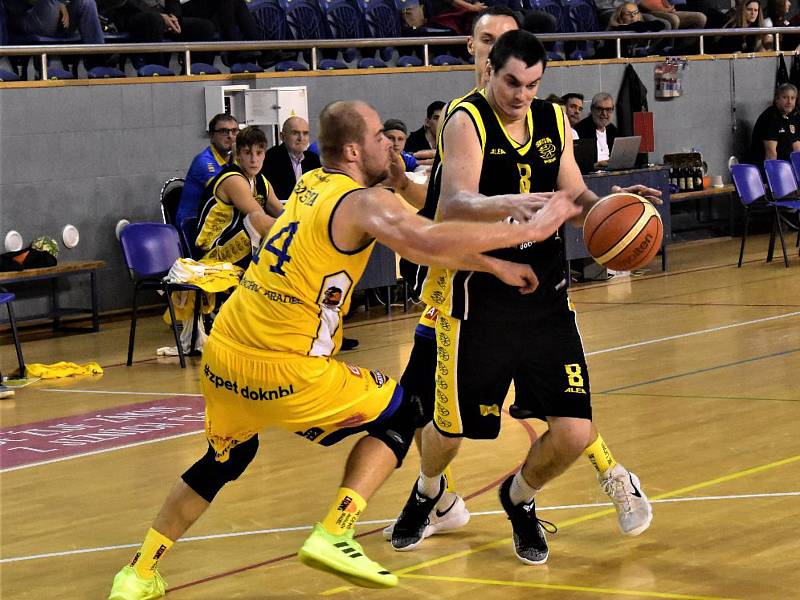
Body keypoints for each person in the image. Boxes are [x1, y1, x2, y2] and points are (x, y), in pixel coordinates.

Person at [106, 99, 580, 600]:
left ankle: (138, 572)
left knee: (224, 460)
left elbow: (419, 224)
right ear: (355, 148)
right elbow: (429, 238)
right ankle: (336, 529)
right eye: (380, 136)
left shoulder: (310, 183)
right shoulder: (363, 203)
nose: (389, 143)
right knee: (405, 413)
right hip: (285, 363)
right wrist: (524, 231)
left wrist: (494, 266)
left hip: (225, 348)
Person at [389, 29, 659, 565]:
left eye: (533, 85)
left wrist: (612, 207)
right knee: (448, 430)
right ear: (490, 71)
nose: (521, 94)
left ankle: (519, 498)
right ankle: (427, 493)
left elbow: (574, 193)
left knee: (575, 430)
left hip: (546, 298)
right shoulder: (465, 119)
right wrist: (513, 204)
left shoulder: (553, 120)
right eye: (512, 81)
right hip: (479, 296)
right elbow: (454, 206)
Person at [194, 126, 283, 271]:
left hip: (236, 244)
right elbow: (261, 220)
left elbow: (283, 215)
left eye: (259, 153)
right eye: (248, 153)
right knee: (258, 220)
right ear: (238, 155)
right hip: (212, 253)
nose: (254, 159)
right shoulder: (233, 179)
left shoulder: (261, 181)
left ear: (264, 155)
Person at [98, 0, 216, 68]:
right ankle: (158, 71)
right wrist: (161, 17)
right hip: (130, 14)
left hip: (163, 17)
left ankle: (197, 72)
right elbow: (126, 2)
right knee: (154, 19)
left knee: (204, 27)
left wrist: (173, 16)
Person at [175, 114, 238, 229]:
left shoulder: (230, 160)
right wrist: (238, 158)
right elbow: (230, 193)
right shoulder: (204, 161)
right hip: (193, 227)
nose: (230, 136)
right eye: (224, 131)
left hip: (217, 222)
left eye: (234, 131)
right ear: (211, 136)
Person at [261, 116, 322, 201]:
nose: (301, 138)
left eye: (305, 133)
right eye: (295, 133)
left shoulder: (313, 159)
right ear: (282, 136)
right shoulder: (270, 159)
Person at [748, 83, 800, 165]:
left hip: (786, 168)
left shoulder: (792, 117)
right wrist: (774, 176)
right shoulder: (770, 118)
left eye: (792, 98)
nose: (789, 102)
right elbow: (771, 153)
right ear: (777, 99)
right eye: (785, 98)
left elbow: (797, 148)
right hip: (766, 169)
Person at [576, 92, 618, 169]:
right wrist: (596, 165)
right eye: (600, 109)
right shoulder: (580, 130)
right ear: (592, 109)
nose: (604, 114)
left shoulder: (613, 130)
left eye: (608, 109)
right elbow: (578, 165)